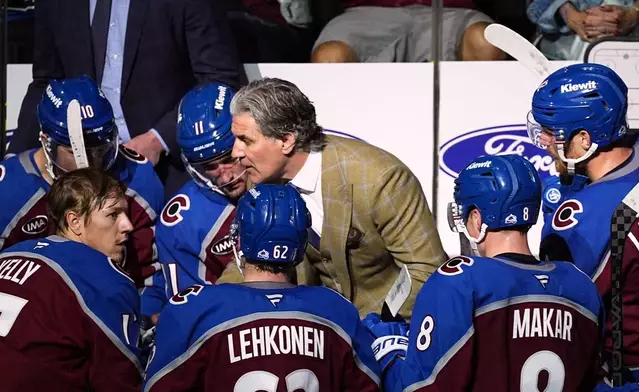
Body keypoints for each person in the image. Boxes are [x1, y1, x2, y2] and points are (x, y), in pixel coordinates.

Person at [363, 155, 609, 391]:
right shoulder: (580, 284)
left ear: (477, 218)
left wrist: (388, 350)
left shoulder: (461, 281)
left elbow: (422, 387)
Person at [227, 77, 447, 320]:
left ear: (286, 140)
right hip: (315, 330)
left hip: (392, 327)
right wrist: (211, 306)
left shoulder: (379, 178)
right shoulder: (260, 183)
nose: (235, 152)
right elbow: (250, 261)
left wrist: (377, 328)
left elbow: (425, 271)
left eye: (246, 140)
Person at [143, 184, 380, 391]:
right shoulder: (337, 310)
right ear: (301, 241)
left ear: (238, 239)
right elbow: (368, 386)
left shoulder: (194, 308)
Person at [8, 0, 242, 197]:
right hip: (82, 169)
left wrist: (157, 140)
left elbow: (219, 78)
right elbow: (46, 83)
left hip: (167, 168)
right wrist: (12, 160)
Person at [530, 63, 639, 383]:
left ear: (583, 140)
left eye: (552, 132)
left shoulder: (580, 221)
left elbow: (558, 318)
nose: (545, 140)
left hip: (628, 373)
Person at [0, 75, 164, 288]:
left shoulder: (137, 178)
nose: (90, 163)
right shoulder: (10, 190)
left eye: (99, 150)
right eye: (75, 151)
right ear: (46, 143)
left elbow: (150, 278)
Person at [0, 168, 142, 391]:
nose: (128, 226)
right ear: (74, 222)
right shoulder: (104, 278)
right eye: (113, 215)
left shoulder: (9, 254)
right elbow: (121, 381)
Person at [141, 82, 248, 320]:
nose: (226, 175)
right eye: (210, 166)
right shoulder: (181, 220)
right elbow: (191, 311)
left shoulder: (284, 176)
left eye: (229, 158)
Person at [310, 0, 505, 62]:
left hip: (449, 10)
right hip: (368, 11)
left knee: (486, 41)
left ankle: (473, 133)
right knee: (330, 55)